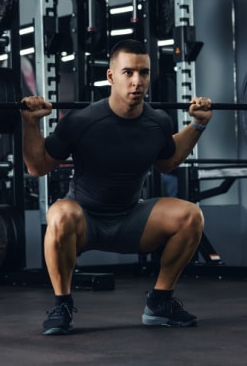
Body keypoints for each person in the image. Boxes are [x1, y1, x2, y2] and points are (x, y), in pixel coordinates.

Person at [21, 39, 212, 335]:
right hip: (85, 220)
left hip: (131, 219)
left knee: (191, 215)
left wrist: (196, 126)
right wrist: (31, 124)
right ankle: (61, 305)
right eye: (128, 73)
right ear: (111, 77)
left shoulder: (158, 122)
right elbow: (38, 167)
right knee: (59, 214)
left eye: (144, 73)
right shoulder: (81, 121)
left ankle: (159, 302)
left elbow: (167, 161)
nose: (137, 81)